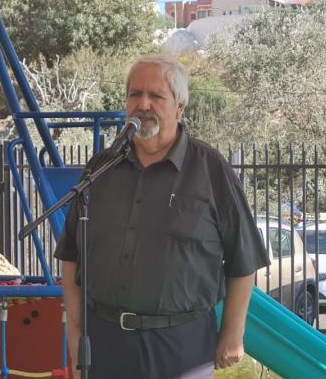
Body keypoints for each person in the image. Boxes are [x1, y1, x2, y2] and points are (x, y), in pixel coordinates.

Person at [54, 54, 269, 379]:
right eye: (135, 94)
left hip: (182, 346)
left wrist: (233, 332)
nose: (143, 104)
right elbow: (72, 256)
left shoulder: (210, 169)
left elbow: (244, 259)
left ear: (179, 108)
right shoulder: (100, 169)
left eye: (156, 96)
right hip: (104, 342)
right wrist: (75, 333)